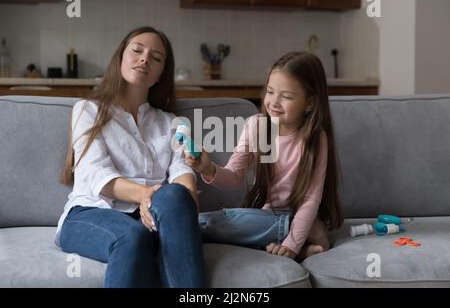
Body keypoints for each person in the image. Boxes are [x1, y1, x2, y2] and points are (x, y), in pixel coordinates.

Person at [56, 26, 204, 288]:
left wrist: (184, 199)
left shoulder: (172, 122)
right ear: (120, 59)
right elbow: (95, 174)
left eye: (156, 58)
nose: (145, 59)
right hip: (91, 212)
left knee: (175, 194)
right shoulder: (88, 110)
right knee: (132, 236)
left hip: (151, 216)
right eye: (137, 50)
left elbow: (183, 171)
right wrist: (146, 195)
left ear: (160, 74)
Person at [185, 52, 343, 260]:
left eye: (286, 96)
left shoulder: (315, 139)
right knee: (228, 225)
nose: (274, 102)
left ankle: (302, 235)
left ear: (310, 103)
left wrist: (291, 245)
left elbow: (310, 199)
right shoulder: (259, 127)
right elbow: (234, 177)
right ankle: (305, 242)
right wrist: (209, 169)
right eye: (270, 92)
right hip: (266, 218)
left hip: (300, 218)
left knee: (199, 223)